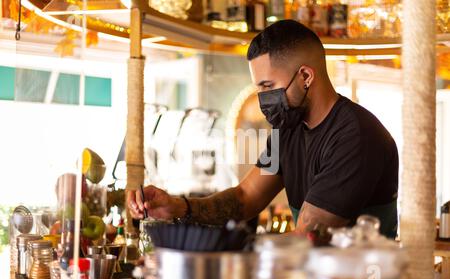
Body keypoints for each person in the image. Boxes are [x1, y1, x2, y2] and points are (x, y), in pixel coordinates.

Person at [128, 20, 399, 241]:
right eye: (258, 87)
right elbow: (246, 197)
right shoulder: (287, 129)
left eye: (268, 86)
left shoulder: (356, 136)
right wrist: (178, 207)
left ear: (306, 76)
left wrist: (221, 251)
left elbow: (308, 235)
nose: (262, 97)